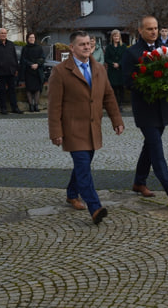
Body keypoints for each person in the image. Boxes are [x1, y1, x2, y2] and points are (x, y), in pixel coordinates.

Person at [49, 31, 124, 224]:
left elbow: (108, 96)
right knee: (83, 166)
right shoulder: (60, 71)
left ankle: (72, 193)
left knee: (84, 164)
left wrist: (116, 120)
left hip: (93, 127)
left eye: (88, 43)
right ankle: (95, 207)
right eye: (81, 44)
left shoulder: (99, 68)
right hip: (73, 128)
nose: (86, 47)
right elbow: (54, 104)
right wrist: (56, 131)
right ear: (72, 48)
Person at [121, 15, 168, 207]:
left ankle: (139, 182)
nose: (154, 32)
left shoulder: (165, 51)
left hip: (162, 107)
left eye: (156, 28)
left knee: (149, 146)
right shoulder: (132, 53)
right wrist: (149, 85)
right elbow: (128, 81)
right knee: (156, 149)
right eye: (149, 29)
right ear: (140, 30)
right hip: (145, 109)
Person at [0, 28, 22, 115]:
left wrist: (16, 69)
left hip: (11, 71)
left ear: (6, 34)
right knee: (2, 91)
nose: (3, 35)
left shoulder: (11, 44)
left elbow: (15, 58)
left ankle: (14, 107)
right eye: (1, 33)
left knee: (12, 90)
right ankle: (3, 108)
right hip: (0, 72)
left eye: (5, 33)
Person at [20, 32, 46, 112]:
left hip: (37, 71)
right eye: (30, 37)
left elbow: (42, 58)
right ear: (27, 39)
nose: (32, 39)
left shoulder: (39, 48)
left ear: (35, 39)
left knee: (37, 89)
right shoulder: (25, 48)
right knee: (29, 89)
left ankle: (36, 105)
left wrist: (37, 64)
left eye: (33, 37)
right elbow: (23, 59)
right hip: (28, 71)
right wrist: (30, 64)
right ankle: (31, 105)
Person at [104, 29, 127, 107]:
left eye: (117, 36)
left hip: (120, 70)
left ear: (119, 37)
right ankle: (115, 104)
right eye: (115, 36)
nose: (116, 37)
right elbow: (106, 58)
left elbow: (125, 57)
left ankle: (121, 104)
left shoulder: (123, 46)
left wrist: (119, 64)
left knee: (121, 88)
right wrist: (112, 63)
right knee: (114, 88)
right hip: (112, 70)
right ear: (112, 37)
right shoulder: (109, 47)